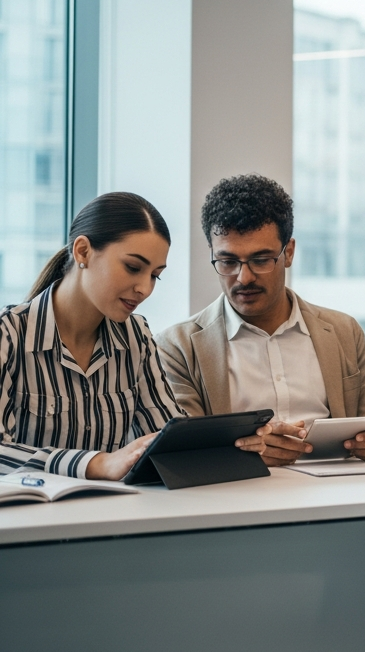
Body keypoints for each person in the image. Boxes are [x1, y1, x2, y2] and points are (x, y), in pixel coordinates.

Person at [1, 193, 275, 480]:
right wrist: (97, 463)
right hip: (29, 518)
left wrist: (236, 444)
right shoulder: (8, 335)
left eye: (155, 275)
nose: (144, 288)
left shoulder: (136, 337)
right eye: (133, 267)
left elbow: (166, 438)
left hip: (115, 515)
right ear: (83, 252)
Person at [158, 175, 365, 465]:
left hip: (338, 493)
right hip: (237, 496)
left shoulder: (343, 331)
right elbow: (183, 454)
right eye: (227, 262)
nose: (244, 277)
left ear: (288, 252)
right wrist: (246, 454)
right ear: (212, 254)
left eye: (261, 260)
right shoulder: (177, 346)